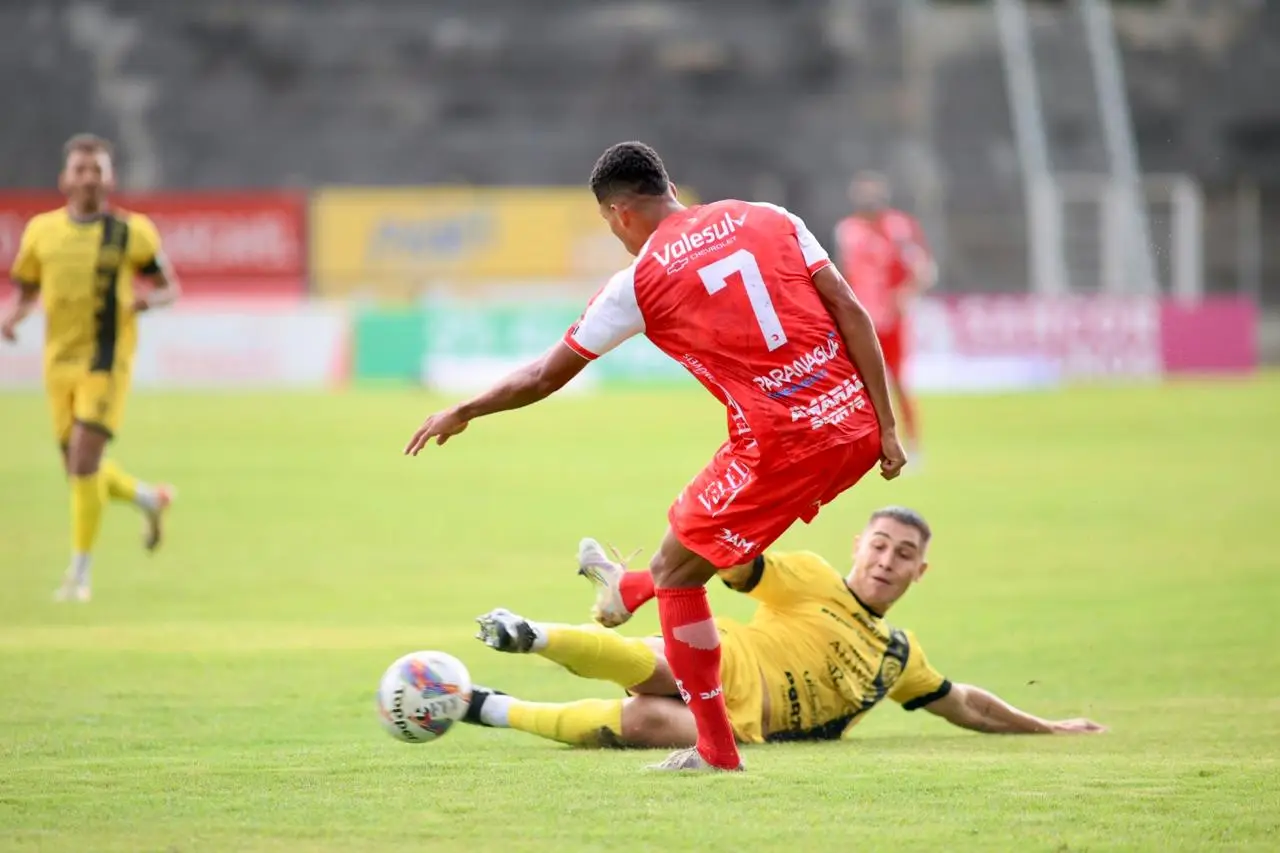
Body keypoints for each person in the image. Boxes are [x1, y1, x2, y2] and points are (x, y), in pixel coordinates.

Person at [404, 141, 905, 772]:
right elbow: (852, 311)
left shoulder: (637, 282)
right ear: (667, 186)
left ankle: (716, 751)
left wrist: (465, 409)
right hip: (852, 431)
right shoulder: (772, 216)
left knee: (677, 572)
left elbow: (543, 376)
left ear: (618, 214)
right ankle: (624, 589)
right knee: (701, 551)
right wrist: (886, 428)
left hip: (780, 445)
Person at [462, 507, 1106, 748]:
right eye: (880, 545)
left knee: (642, 724)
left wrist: (1045, 727)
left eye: (903, 555)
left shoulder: (898, 655)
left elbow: (964, 704)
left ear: (920, 571)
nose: (887, 561)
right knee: (656, 662)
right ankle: (532, 634)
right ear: (860, 546)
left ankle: (492, 708)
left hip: (749, 727)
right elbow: (725, 559)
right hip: (732, 662)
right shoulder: (812, 576)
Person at [2, 134, 180, 602]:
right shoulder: (41, 232)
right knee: (79, 469)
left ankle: (78, 576)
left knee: (83, 459)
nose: (88, 177)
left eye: (96, 169)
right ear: (65, 178)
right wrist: (12, 315)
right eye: (80, 169)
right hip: (58, 364)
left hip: (107, 362)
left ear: (109, 178)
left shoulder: (131, 231)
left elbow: (168, 287)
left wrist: (148, 300)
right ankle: (148, 498)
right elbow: (25, 290)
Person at [834, 171, 936, 463]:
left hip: (890, 320)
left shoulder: (899, 227)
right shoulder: (848, 230)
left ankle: (913, 445)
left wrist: (904, 295)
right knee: (858, 383)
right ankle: (863, 444)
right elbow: (843, 272)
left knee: (899, 381)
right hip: (861, 320)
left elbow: (924, 268)